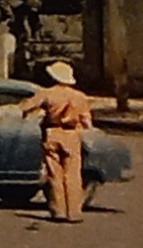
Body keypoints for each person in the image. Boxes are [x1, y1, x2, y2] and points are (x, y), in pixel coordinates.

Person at [18, 61, 95, 223]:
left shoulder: (47, 93)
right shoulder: (80, 97)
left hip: (52, 132)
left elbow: (25, 107)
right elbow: (88, 122)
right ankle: (74, 212)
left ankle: (58, 210)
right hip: (72, 135)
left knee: (55, 173)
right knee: (73, 174)